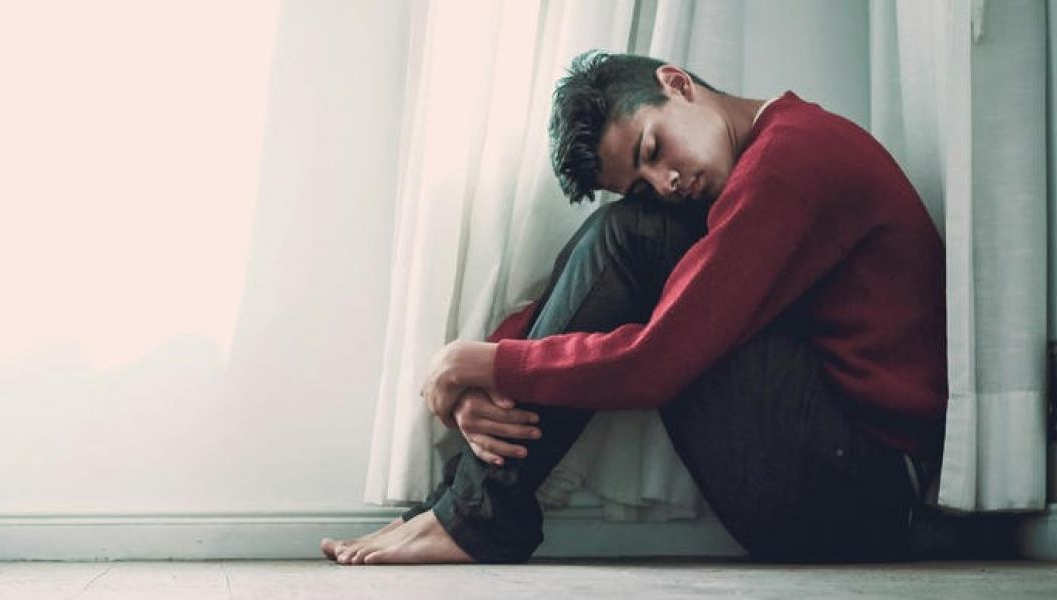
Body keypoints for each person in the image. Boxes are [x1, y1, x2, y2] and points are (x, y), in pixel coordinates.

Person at [321, 50, 946, 565]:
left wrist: (484, 364)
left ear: (677, 84)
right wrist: (482, 371)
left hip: (864, 495)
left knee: (634, 233)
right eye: (643, 179)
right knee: (630, 227)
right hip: (836, 471)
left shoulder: (792, 161)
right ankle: (464, 509)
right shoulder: (762, 163)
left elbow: (657, 361)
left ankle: (473, 517)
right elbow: (601, 292)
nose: (667, 182)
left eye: (653, 148)